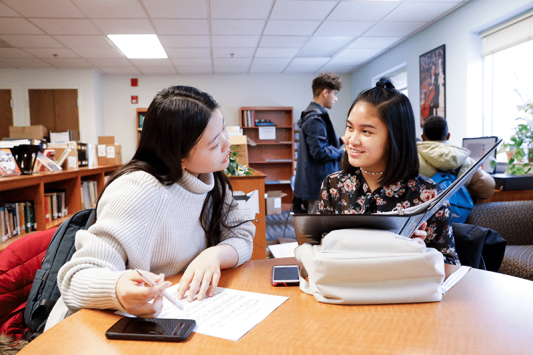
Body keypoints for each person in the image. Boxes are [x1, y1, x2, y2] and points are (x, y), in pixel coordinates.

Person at [45, 86, 255, 330]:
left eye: (223, 129)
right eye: (214, 143)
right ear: (179, 158)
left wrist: (214, 255)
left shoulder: (210, 180)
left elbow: (243, 234)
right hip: (92, 326)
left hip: (167, 316)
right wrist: (118, 288)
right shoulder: (138, 189)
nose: (228, 145)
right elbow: (77, 278)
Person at [319, 78, 461, 278]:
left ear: (395, 138)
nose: (351, 139)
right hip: (345, 293)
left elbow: (452, 266)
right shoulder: (334, 186)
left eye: (366, 131)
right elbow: (317, 251)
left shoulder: (428, 195)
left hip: (402, 301)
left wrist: (423, 254)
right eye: (350, 127)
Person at [294, 72, 344, 214]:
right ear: (325, 92)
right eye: (335, 94)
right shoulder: (315, 118)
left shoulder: (312, 115)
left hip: (317, 183)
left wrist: (340, 141)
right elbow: (319, 152)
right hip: (318, 185)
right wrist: (341, 152)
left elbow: (319, 145)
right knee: (318, 227)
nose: (336, 99)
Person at [418, 115, 495, 200]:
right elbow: (488, 188)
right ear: (448, 136)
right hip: (457, 211)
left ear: (422, 137)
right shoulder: (465, 160)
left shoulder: (412, 159)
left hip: (424, 212)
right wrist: (462, 190)